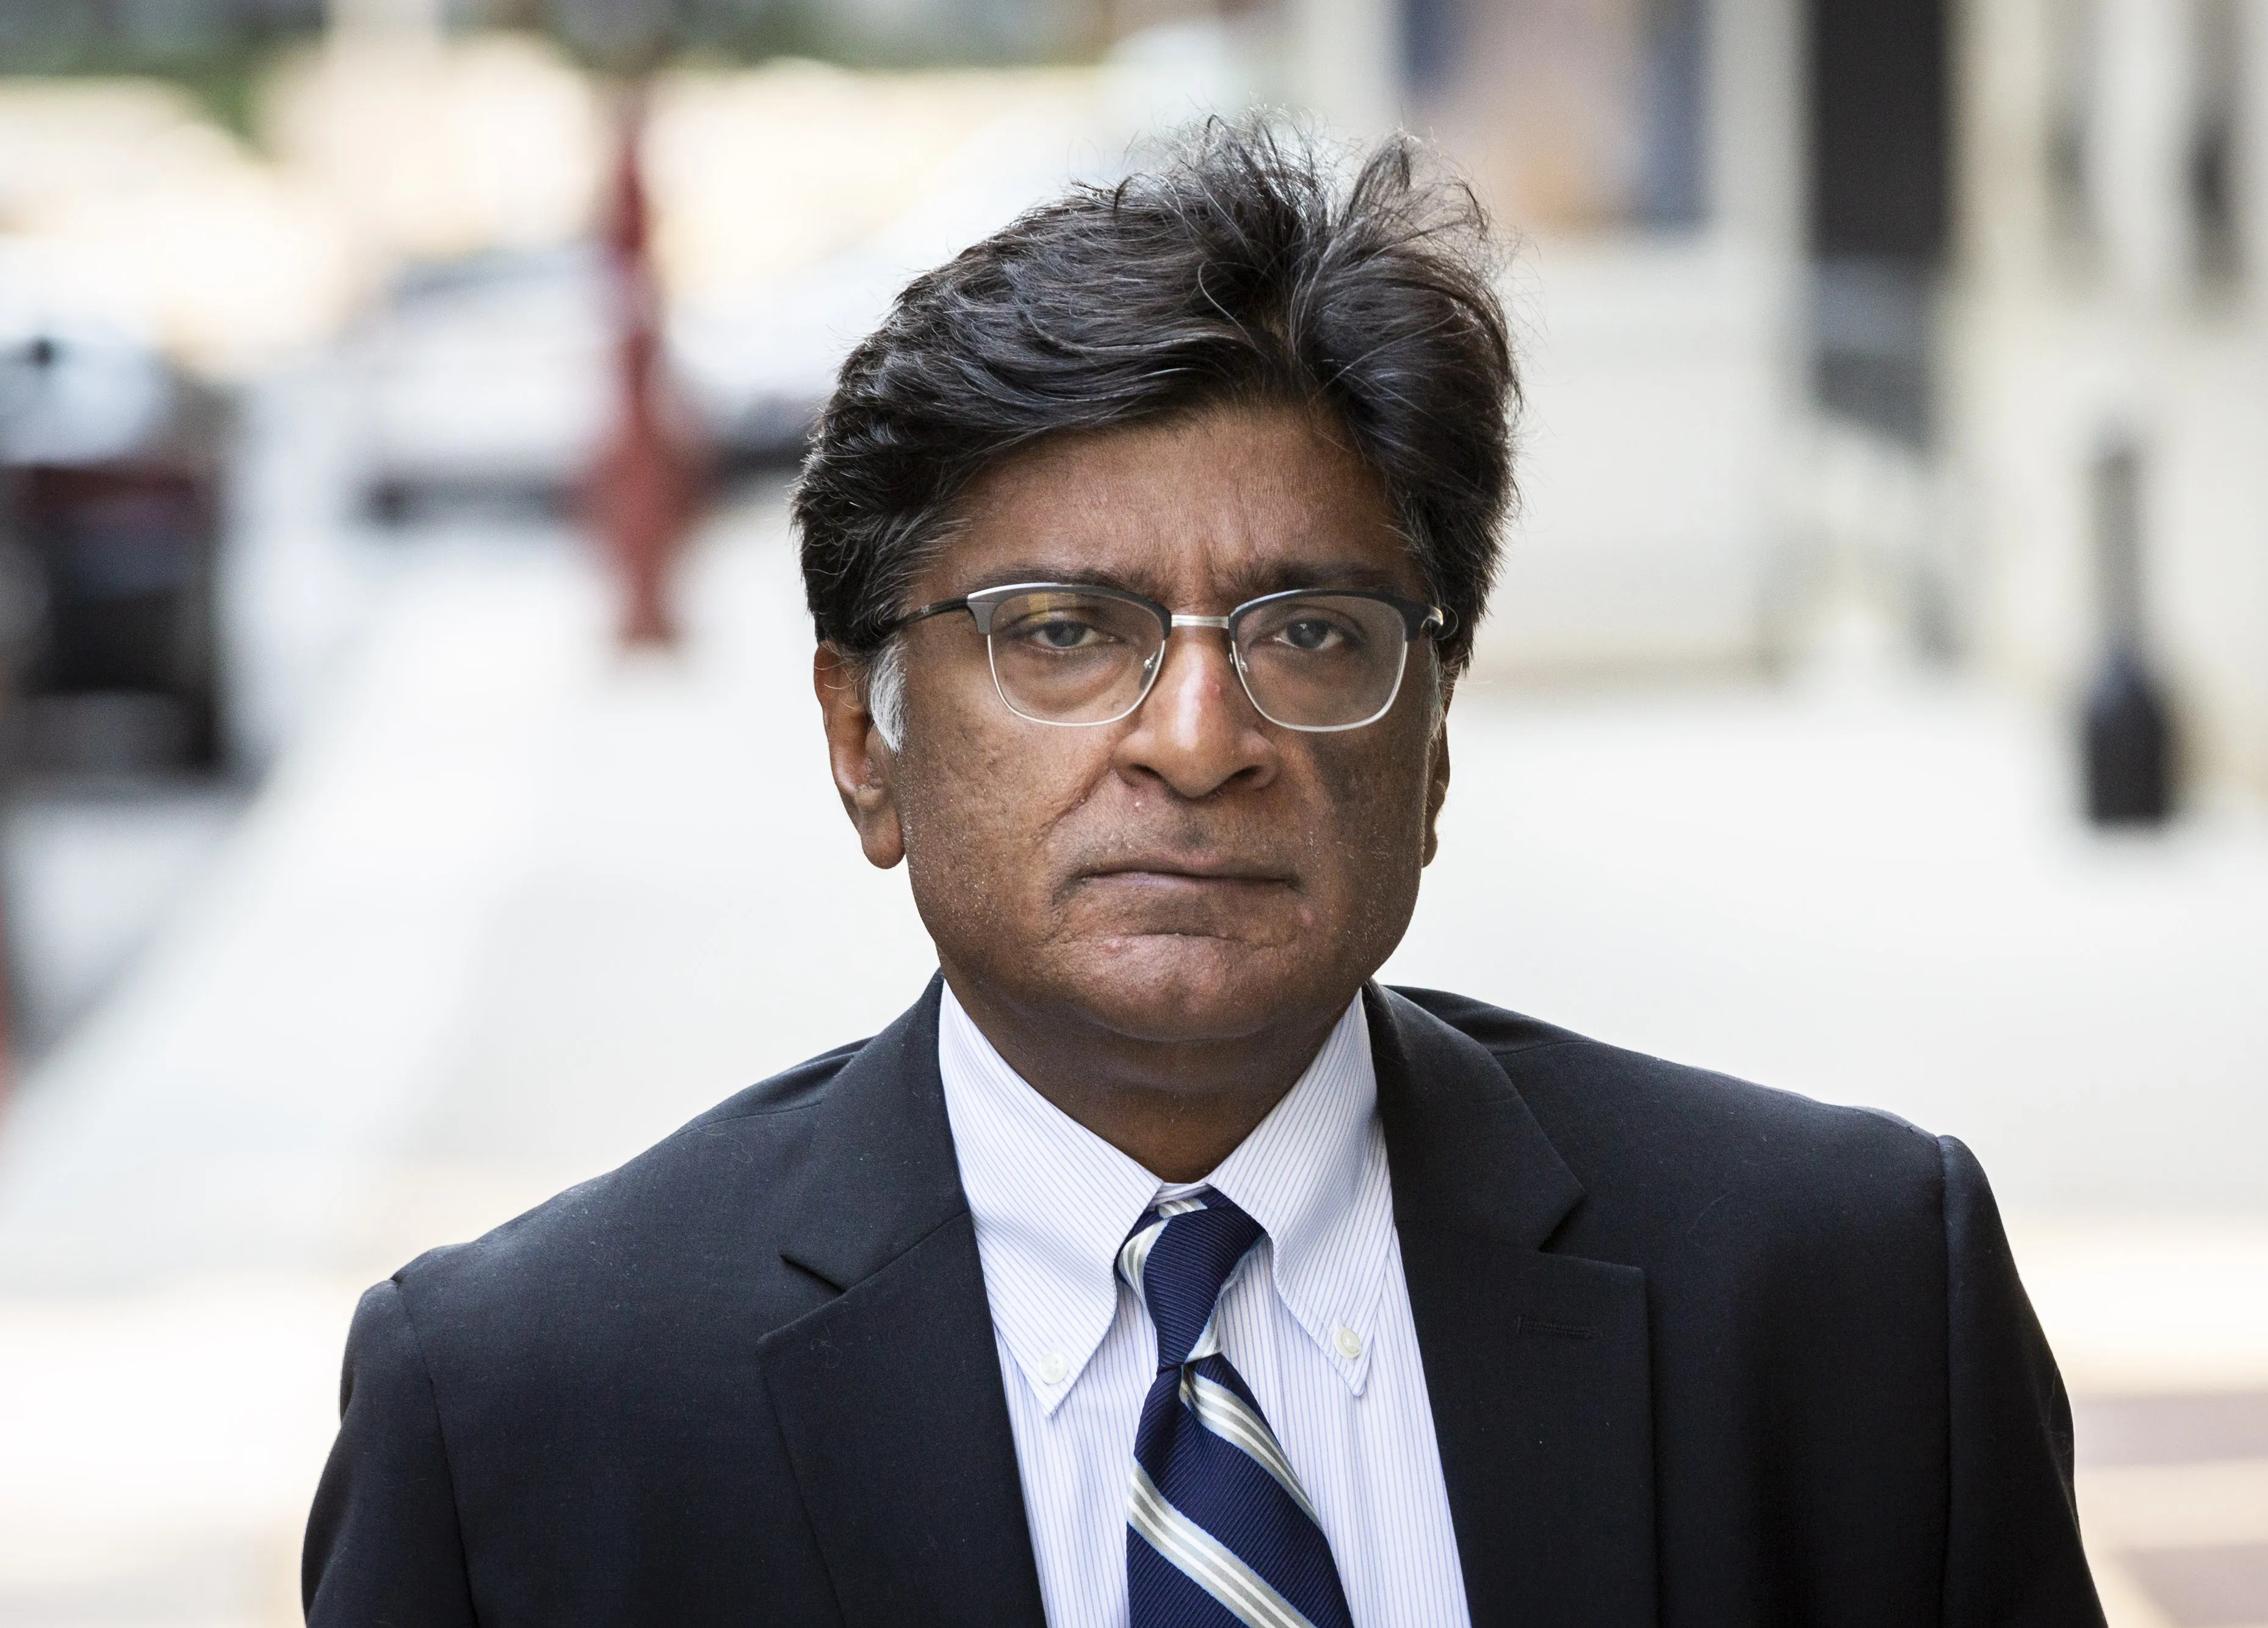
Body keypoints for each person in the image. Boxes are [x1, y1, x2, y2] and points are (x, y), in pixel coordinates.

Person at [303, 120, 2106, 1628]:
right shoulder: (527, 1412)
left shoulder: (1847, 1301)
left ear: (1435, 737)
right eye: (1063, 631)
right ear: (865, 743)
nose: (1195, 734)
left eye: (1309, 632)